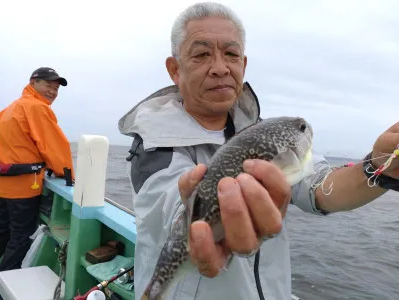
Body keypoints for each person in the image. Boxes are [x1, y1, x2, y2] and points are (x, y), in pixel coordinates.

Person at [118, 2, 399, 299]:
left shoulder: (264, 135)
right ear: (175, 69)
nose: (220, 68)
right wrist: (203, 220)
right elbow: (170, 206)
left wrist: (378, 166)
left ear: (243, 64)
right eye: (201, 55)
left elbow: (319, 186)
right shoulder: (152, 146)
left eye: (231, 54)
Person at [0, 67, 74, 271]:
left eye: (56, 88)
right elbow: (54, 146)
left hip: (2, 186)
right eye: (48, 85)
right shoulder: (37, 108)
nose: (53, 91)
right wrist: (67, 174)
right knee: (21, 238)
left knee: (3, 233)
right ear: (33, 83)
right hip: (22, 188)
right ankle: (3, 283)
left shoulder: (10, 109)